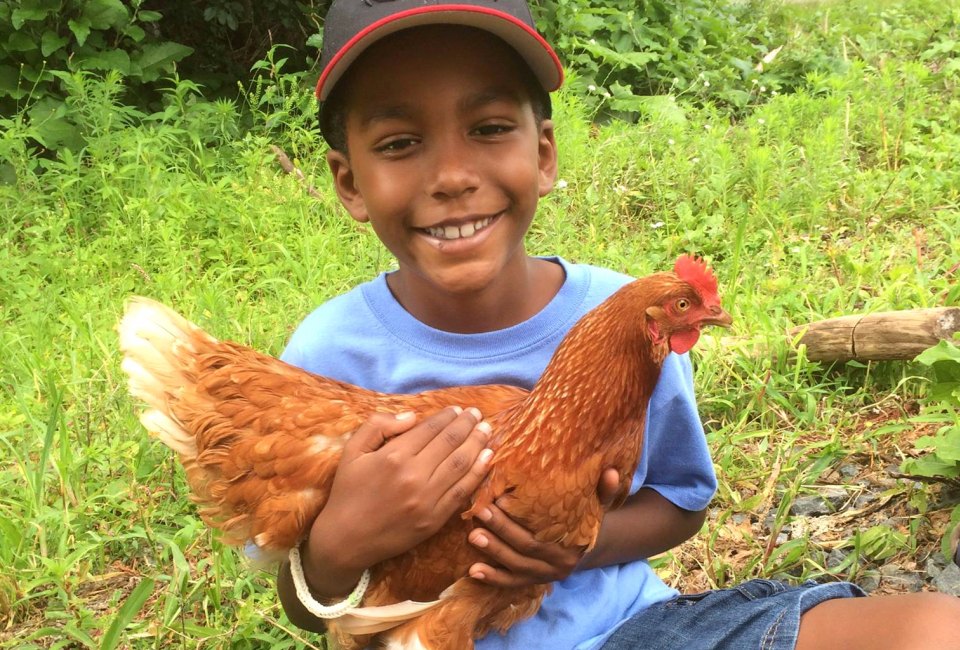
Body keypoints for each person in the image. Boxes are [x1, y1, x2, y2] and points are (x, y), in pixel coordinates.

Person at [274, 0, 960, 647]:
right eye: (400, 142)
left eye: (486, 128)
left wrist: (576, 542)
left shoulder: (629, 317)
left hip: (634, 629)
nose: (452, 175)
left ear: (543, 154)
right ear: (349, 182)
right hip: (421, 635)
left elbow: (682, 501)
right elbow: (304, 603)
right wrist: (337, 547)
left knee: (934, 628)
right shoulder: (331, 351)